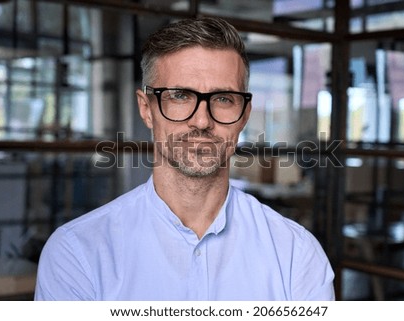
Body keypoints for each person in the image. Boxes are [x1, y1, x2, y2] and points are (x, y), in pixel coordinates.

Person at [34, 17, 335, 301]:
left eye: (223, 99)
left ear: (244, 114)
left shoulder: (297, 255)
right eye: (180, 96)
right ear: (146, 109)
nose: (202, 121)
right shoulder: (77, 254)